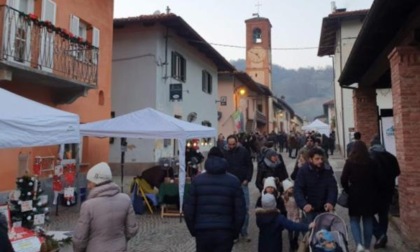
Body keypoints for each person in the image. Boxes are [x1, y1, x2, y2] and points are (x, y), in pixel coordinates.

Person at [183, 147, 246, 252]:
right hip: (225, 230)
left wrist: (194, 230)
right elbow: (240, 211)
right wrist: (235, 232)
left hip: (203, 231)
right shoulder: (233, 181)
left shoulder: (197, 181)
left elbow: (188, 209)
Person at [73, 162, 139, 252]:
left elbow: (80, 238)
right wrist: (120, 240)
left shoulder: (88, 206)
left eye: (90, 182)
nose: (88, 186)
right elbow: (132, 230)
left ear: (97, 182)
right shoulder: (125, 200)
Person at [341, 141, 377, 252]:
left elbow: (343, 179)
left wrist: (348, 189)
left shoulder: (350, 162)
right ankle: (367, 247)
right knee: (368, 220)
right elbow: (377, 179)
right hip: (369, 194)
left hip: (354, 194)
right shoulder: (371, 162)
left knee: (354, 220)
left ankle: (358, 245)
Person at [369, 135, 400, 249]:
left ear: (372, 146)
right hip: (387, 191)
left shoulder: (369, 157)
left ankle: (380, 235)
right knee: (383, 215)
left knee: (367, 214)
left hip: (372, 192)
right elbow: (397, 172)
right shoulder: (391, 157)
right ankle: (382, 235)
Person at [294, 148, 338, 223]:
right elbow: (298, 189)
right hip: (309, 208)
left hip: (324, 208)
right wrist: (304, 204)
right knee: (310, 232)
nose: (320, 161)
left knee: (324, 232)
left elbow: (332, 187)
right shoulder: (303, 171)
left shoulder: (327, 170)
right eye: (317, 159)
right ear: (310, 159)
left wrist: (330, 201)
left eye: (321, 158)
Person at [223, 134, 253, 242]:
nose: (231, 146)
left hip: (242, 184)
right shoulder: (224, 153)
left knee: (245, 209)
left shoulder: (243, 151)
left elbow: (250, 166)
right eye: (229, 144)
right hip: (229, 185)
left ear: (237, 143)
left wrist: (247, 179)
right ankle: (234, 233)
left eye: (233, 144)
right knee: (231, 210)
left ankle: (244, 231)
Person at [282, 179, 301, 251]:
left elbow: (299, 206)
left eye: (292, 188)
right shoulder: (283, 198)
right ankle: (291, 243)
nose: (292, 189)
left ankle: (295, 240)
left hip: (296, 215)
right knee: (290, 232)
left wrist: (300, 214)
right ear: (286, 189)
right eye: (290, 188)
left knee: (297, 230)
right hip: (288, 217)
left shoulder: (296, 196)